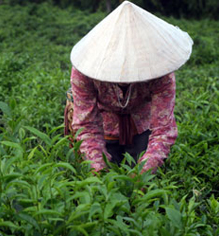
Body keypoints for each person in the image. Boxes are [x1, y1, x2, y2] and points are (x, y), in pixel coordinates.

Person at [66, 1, 193, 174]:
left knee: (144, 174)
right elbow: (87, 126)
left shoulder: (161, 73)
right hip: (104, 122)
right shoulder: (84, 72)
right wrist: (100, 173)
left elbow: (163, 130)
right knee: (100, 172)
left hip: (141, 122)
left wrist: (144, 174)